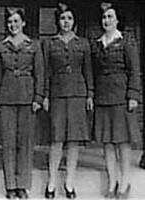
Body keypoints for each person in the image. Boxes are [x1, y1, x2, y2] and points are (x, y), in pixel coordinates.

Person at [0, 8, 44, 199]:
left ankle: (23, 185)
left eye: (16, 21)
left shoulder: (34, 45)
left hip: (27, 97)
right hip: (6, 97)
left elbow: (40, 73)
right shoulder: (0, 46)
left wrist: (38, 97)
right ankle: (10, 186)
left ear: (23, 23)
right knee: (8, 142)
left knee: (26, 143)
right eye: (10, 22)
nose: (13, 25)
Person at [43, 2, 93, 199]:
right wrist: (45, 95)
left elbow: (88, 71)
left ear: (74, 22)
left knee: (73, 141)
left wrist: (90, 94)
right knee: (56, 139)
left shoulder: (83, 44)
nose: (66, 22)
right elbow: (46, 71)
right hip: (57, 95)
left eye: (70, 19)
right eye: (63, 18)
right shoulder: (50, 43)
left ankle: (70, 183)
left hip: (77, 95)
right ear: (58, 21)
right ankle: (51, 182)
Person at [91, 2, 141, 199]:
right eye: (104, 17)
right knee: (107, 141)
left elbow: (134, 71)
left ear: (118, 20)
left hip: (121, 98)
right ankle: (112, 182)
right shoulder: (97, 43)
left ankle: (125, 183)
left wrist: (133, 95)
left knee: (122, 141)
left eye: (110, 16)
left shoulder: (127, 41)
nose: (106, 20)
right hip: (103, 98)